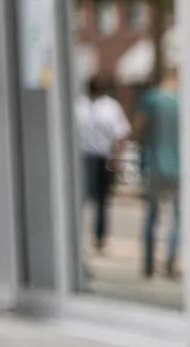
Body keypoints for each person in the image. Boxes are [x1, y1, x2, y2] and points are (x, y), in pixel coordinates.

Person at [135, 69, 182, 280]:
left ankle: (148, 262)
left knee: (152, 215)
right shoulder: (183, 100)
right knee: (178, 217)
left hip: (154, 163)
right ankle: (171, 259)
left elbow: (138, 127)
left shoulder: (152, 98)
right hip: (179, 166)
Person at [74, 76, 130, 253]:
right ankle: (76, 234)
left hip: (102, 156)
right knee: (80, 198)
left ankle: (100, 236)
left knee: (102, 200)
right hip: (82, 156)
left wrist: (118, 159)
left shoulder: (110, 107)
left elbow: (121, 134)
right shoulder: (79, 105)